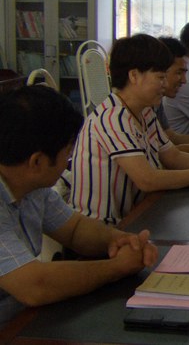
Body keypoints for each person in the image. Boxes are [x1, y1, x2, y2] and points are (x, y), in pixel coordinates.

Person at [0, 86, 158, 325]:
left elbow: (75, 230)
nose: (68, 162)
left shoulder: (31, 185)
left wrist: (120, 240)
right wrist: (117, 267)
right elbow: (34, 285)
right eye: (67, 153)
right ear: (37, 161)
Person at [70, 34, 189, 224]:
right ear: (134, 76)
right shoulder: (112, 118)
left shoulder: (145, 112)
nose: (165, 84)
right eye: (160, 77)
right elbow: (147, 179)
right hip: (104, 227)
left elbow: (173, 156)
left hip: (137, 215)